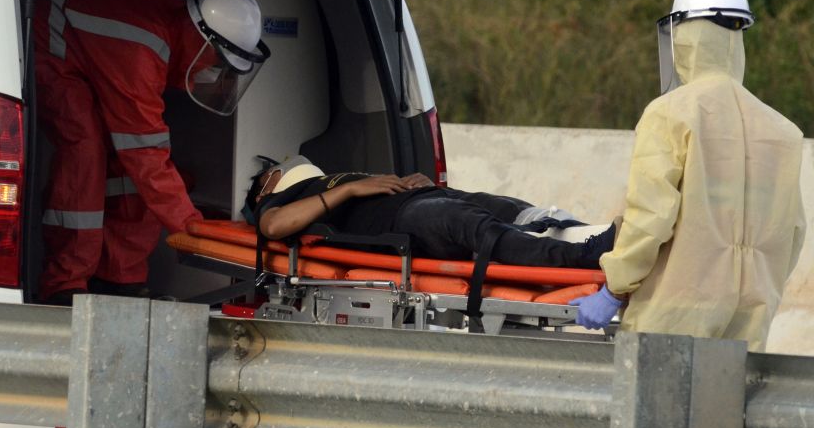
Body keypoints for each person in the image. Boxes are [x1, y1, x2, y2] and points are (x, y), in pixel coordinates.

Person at [571, 0, 806, 350]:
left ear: (683, 35)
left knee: (655, 408)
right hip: (749, 319)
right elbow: (791, 233)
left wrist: (615, 289)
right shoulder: (783, 131)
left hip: (673, 315)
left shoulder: (672, 113)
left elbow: (650, 217)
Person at [35, 0, 270, 305]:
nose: (213, 72)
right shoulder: (141, 48)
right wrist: (193, 230)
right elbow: (145, 153)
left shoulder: (166, 28)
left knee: (127, 168)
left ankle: (119, 277)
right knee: (85, 148)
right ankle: (64, 284)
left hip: (84, 46)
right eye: (216, 61)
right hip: (49, 38)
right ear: (201, 38)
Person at [247, 156, 615, 269]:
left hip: (418, 198)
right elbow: (275, 227)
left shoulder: (325, 178)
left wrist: (410, 182)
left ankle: (592, 234)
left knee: (510, 208)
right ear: (267, 183)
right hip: (399, 225)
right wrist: (351, 188)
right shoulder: (279, 198)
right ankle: (577, 256)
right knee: (471, 225)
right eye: (274, 167)